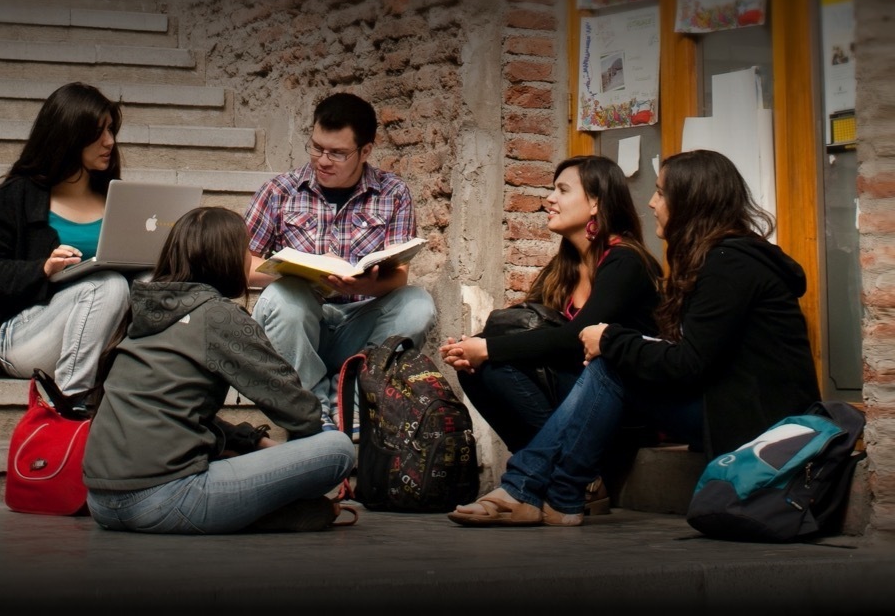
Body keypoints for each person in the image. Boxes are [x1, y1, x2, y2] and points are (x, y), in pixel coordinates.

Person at [448, 148, 820, 527]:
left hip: (762, 426)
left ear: (691, 201)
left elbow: (688, 364)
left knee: (610, 364)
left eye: (661, 192)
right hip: (723, 405)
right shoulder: (715, 260)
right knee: (524, 365)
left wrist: (610, 340)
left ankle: (534, 490)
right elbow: (694, 355)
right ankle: (556, 493)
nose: (652, 202)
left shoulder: (728, 265)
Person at [83, 207, 357, 534]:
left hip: (101, 503)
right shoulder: (217, 317)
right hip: (166, 499)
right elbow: (296, 409)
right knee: (337, 450)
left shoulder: (147, 308)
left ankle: (272, 513)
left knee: (235, 454)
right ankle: (283, 514)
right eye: (246, 250)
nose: (249, 259)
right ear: (226, 259)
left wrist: (252, 442)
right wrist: (308, 452)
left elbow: (171, 408)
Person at [438, 156, 662, 511]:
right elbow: (531, 329)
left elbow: (573, 339)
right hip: (576, 399)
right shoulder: (565, 268)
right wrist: (472, 349)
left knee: (493, 361)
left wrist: (488, 348)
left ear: (595, 203)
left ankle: (549, 478)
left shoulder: (626, 262)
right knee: (475, 369)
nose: (550, 199)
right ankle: (572, 476)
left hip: (622, 405)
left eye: (562, 189)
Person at [245, 92, 436, 431]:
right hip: (299, 328)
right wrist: (300, 275)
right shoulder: (279, 191)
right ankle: (313, 414)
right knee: (282, 299)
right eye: (317, 147)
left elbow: (399, 276)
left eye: (337, 153)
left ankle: (353, 396)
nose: (323, 160)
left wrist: (365, 284)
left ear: (366, 151)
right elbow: (242, 264)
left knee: (418, 304)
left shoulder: (393, 193)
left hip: (357, 323)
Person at [0, 82, 130, 403]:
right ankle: (69, 406)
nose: (109, 141)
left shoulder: (117, 197)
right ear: (69, 135)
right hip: (24, 334)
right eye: (98, 132)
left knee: (145, 283)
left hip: (100, 337)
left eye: (111, 130)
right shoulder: (17, 195)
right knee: (109, 286)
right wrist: (42, 268)